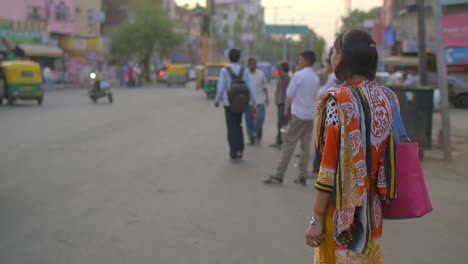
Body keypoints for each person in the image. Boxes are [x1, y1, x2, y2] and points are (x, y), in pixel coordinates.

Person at [305, 29, 397, 263]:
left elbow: (328, 167)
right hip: (372, 210)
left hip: (342, 215)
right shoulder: (387, 98)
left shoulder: (338, 100)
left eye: (334, 51)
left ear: (344, 57)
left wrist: (316, 220)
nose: (331, 57)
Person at [263, 51, 320, 186]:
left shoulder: (298, 75)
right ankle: (302, 176)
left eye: (300, 60)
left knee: (288, 144)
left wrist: (286, 110)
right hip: (309, 116)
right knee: (305, 147)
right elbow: (314, 97)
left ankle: (278, 174)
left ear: (306, 61)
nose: (298, 63)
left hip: (298, 115)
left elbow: (289, 95)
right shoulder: (315, 77)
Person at [214, 49, 257, 161]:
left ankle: (233, 152)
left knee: (231, 127)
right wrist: (254, 103)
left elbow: (221, 86)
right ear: (239, 58)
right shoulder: (245, 71)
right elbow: (250, 87)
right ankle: (240, 150)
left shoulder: (225, 70)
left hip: (229, 103)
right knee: (238, 125)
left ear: (229, 57)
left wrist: (217, 99)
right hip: (242, 103)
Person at [312, 48, 340, 177]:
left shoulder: (334, 77)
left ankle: (319, 169)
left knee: (323, 142)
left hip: (330, 115)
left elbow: (321, 93)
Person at [245, 57, 269, 145]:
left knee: (259, 121)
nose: (253, 65)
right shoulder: (245, 74)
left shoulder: (261, 74)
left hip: (260, 101)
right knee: (249, 122)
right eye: (251, 64)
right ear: (248, 65)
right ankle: (251, 138)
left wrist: (267, 98)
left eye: (255, 64)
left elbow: (265, 86)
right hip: (248, 103)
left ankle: (258, 137)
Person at [269, 61, 290, 149]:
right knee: (280, 123)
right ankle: (279, 141)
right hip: (281, 102)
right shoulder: (283, 77)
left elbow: (278, 68)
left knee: (282, 123)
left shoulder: (285, 76)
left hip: (284, 103)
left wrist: (280, 64)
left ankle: (282, 142)